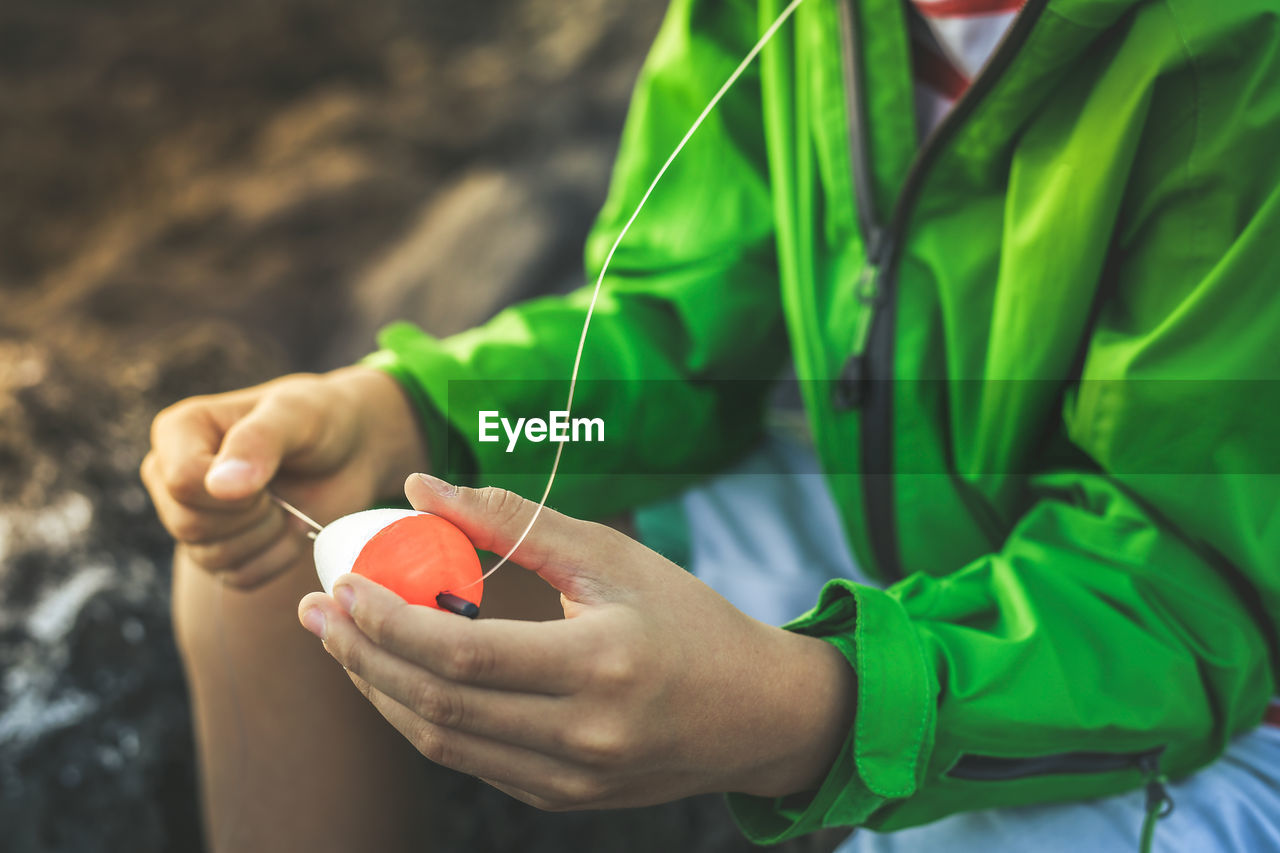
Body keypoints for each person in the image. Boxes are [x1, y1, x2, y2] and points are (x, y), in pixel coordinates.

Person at [143, 0, 1280, 850]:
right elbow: (680, 342)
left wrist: (806, 709)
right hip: (882, 535)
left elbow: (1195, 585)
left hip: (1197, 689)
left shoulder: (1244, 53)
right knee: (273, 556)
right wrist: (406, 412)